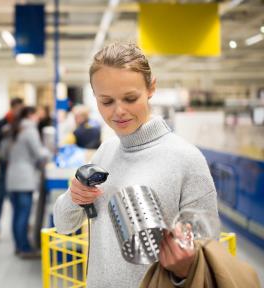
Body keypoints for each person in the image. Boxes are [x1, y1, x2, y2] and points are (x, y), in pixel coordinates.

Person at [53, 43, 220, 287]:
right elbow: (64, 224)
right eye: (106, 101)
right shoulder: (105, 152)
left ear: (151, 88)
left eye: (130, 98)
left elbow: (208, 258)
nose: (119, 111)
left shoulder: (186, 159)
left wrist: (183, 268)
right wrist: (74, 197)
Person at [3, 106, 50, 257]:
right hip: (24, 177)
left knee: (16, 214)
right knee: (23, 214)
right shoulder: (30, 130)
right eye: (37, 115)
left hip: (11, 177)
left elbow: (4, 154)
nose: (38, 118)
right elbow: (39, 153)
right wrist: (48, 152)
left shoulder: (13, 129)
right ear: (31, 115)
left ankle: (19, 246)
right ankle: (25, 249)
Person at [0, 97, 24, 243]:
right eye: (18, 108)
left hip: (18, 166)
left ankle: (20, 226)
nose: (20, 111)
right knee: (1, 197)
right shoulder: (2, 123)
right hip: (5, 166)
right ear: (13, 107)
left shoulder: (22, 123)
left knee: (17, 198)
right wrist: (5, 147)